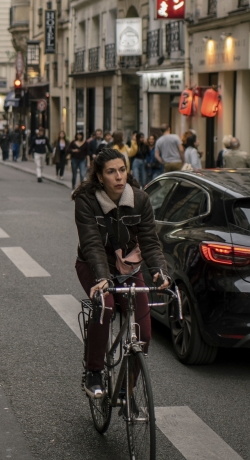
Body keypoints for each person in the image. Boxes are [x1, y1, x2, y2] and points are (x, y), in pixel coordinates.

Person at [72, 148, 170, 399]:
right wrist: (103, 278)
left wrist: (159, 270)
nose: (118, 176)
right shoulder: (86, 200)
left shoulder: (140, 199)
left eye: (122, 170)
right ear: (100, 176)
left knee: (145, 333)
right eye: (111, 172)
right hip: (94, 265)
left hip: (128, 269)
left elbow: (149, 240)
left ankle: (127, 386)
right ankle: (93, 371)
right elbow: (92, 242)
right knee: (104, 306)